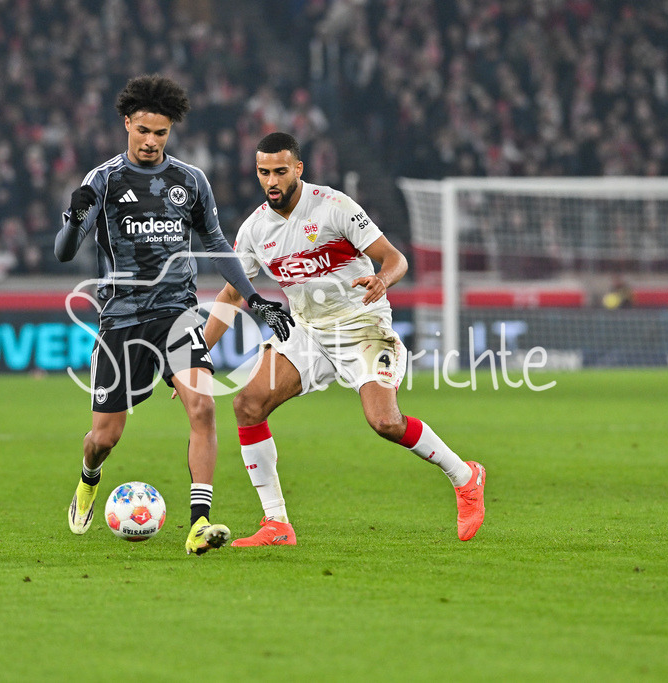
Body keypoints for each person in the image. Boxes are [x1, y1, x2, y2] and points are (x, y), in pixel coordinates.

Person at [201, 132, 486, 546]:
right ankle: (276, 523)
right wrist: (198, 353)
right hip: (307, 331)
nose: (272, 181)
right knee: (248, 405)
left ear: (298, 169)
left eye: (280, 171)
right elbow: (230, 296)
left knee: (385, 422)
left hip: (361, 324)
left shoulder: (334, 206)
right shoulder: (254, 230)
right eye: (264, 172)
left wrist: (382, 279)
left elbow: (395, 258)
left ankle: (464, 476)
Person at [54, 75, 293, 555]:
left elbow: (217, 245)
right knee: (104, 437)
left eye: (160, 133)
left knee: (203, 407)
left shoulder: (190, 180)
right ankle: (88, 478)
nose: (151, 141)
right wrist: (75, 218)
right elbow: (64, 252)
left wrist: (255, 299)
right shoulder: (103, 180)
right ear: (127, 124)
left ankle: (199, 523)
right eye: (143, 130)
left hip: (178, 315)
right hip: (121, 321)